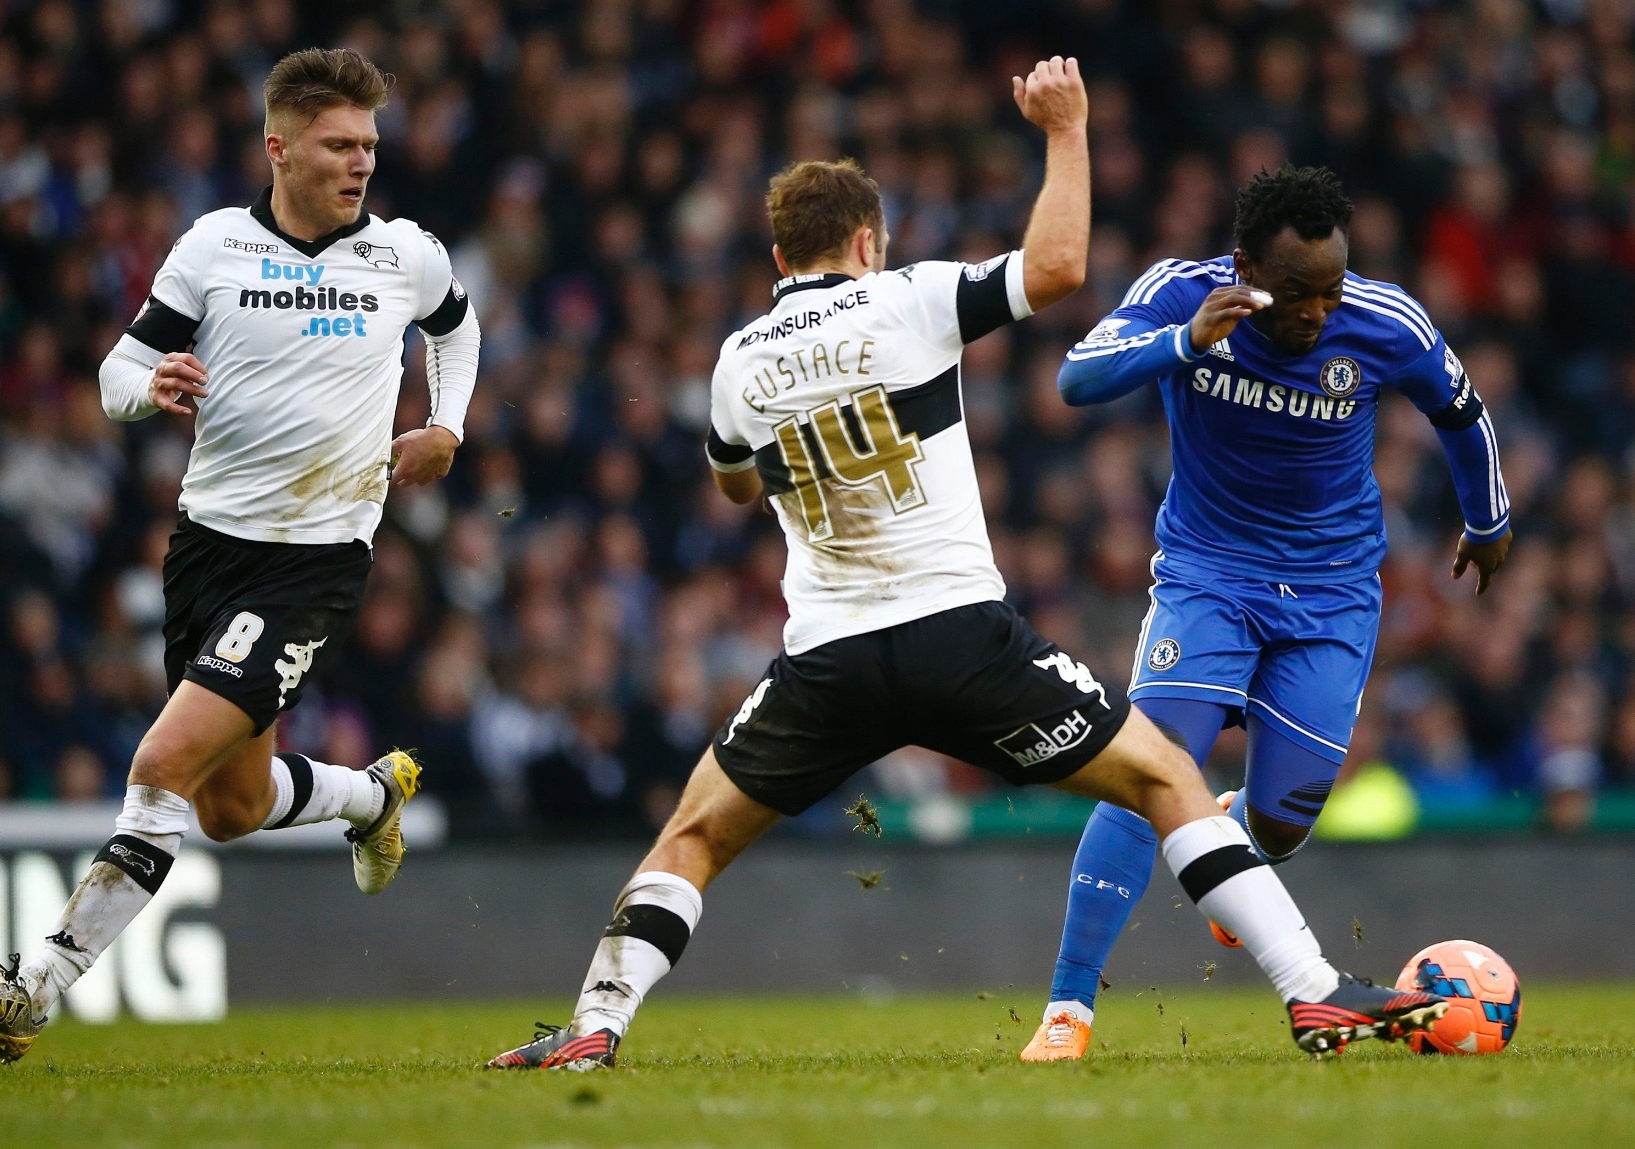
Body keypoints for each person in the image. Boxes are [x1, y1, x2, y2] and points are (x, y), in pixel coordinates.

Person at [486, 61, 1444, 1073]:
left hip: (828, 661)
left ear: (778, 253)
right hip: (959, 642)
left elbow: (734, 486)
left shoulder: (735, 364)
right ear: (868, 242)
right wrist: (1066, 129)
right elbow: (1059, 267)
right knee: (1168, 778)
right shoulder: (907, 298)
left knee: (692, 837)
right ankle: (1313, 993)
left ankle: (596, 1024)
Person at [0, 47, 481, 1063]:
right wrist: (153, 387)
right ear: (278, 146)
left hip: (315, 562)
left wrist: (447, 424)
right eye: (337, 144)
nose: (360, 163)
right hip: (207, 550)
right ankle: (372, 796)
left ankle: (36, 985)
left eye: (369, 145)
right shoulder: (215, 248)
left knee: (161, 765)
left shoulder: (405, 255)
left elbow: (457, 325)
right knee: (226, 807)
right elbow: (114, 375)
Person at [1020, 166, 1511, 1062]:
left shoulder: (1384, 319)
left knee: (1286, 820)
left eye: (1329, 290)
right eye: (1295, 293)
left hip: (1331, 593)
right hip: (1208, 577)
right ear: (1244, 264)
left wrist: (1489, 520)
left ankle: (1239, 834)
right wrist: (1181, 343)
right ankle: (1068, 1009)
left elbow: (1462, 411)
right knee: (1148, 771)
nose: (1317, 313)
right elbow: (1074, 378)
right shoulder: (1179, 293)